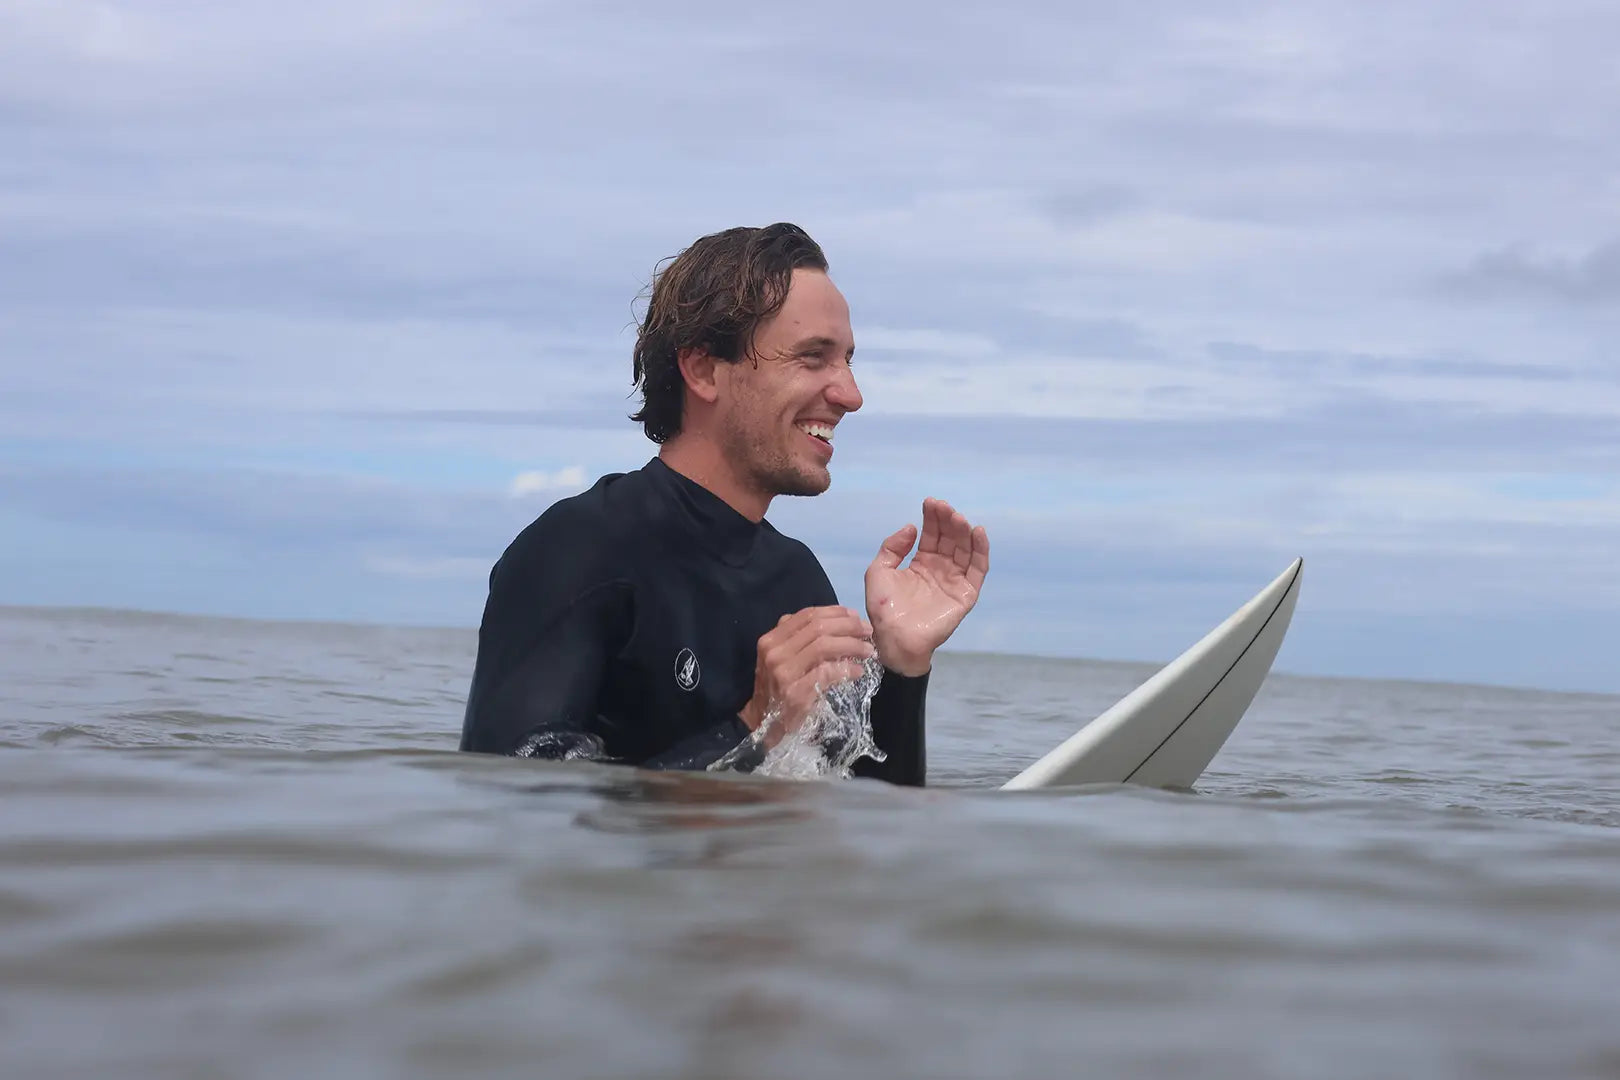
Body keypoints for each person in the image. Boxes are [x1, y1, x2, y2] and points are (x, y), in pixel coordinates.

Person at [458, 223, 989, 786]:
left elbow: (869, 827)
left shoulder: (796, 581)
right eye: (813, 358)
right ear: (704, 370)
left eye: (848, 361)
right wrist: (754, 726)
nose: (851, 395)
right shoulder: (578, 551)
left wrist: (903, 665)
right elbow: (514, 803)